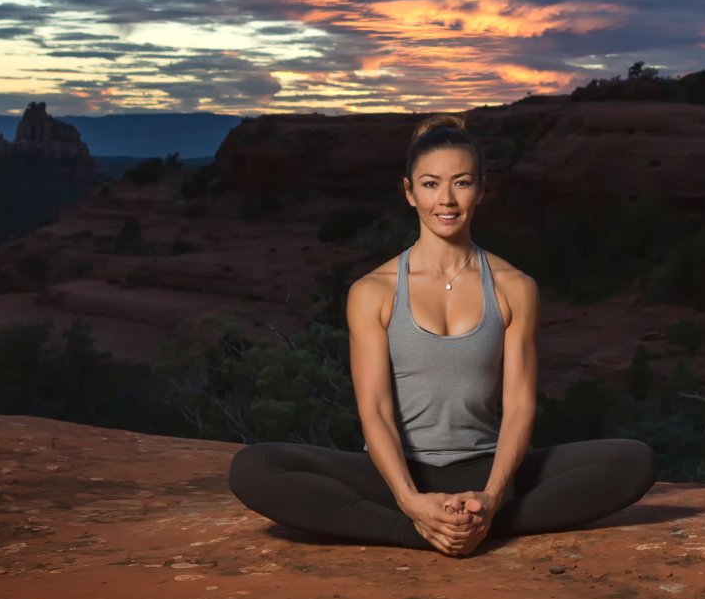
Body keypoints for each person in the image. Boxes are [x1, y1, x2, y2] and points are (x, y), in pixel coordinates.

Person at [229, 113, 657, 556]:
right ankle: (418, 528)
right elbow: (374, 410)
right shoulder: (372, 291)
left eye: (462, 182)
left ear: (482, 190)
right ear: (409, 193)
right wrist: (411, 502)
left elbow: (519, 406)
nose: (446, 200)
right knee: (253, 468)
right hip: (395, 475)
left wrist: (490, 497)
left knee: (632, 459)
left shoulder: (515, 287)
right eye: (431, 184)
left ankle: (479, 521)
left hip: (489, 469)